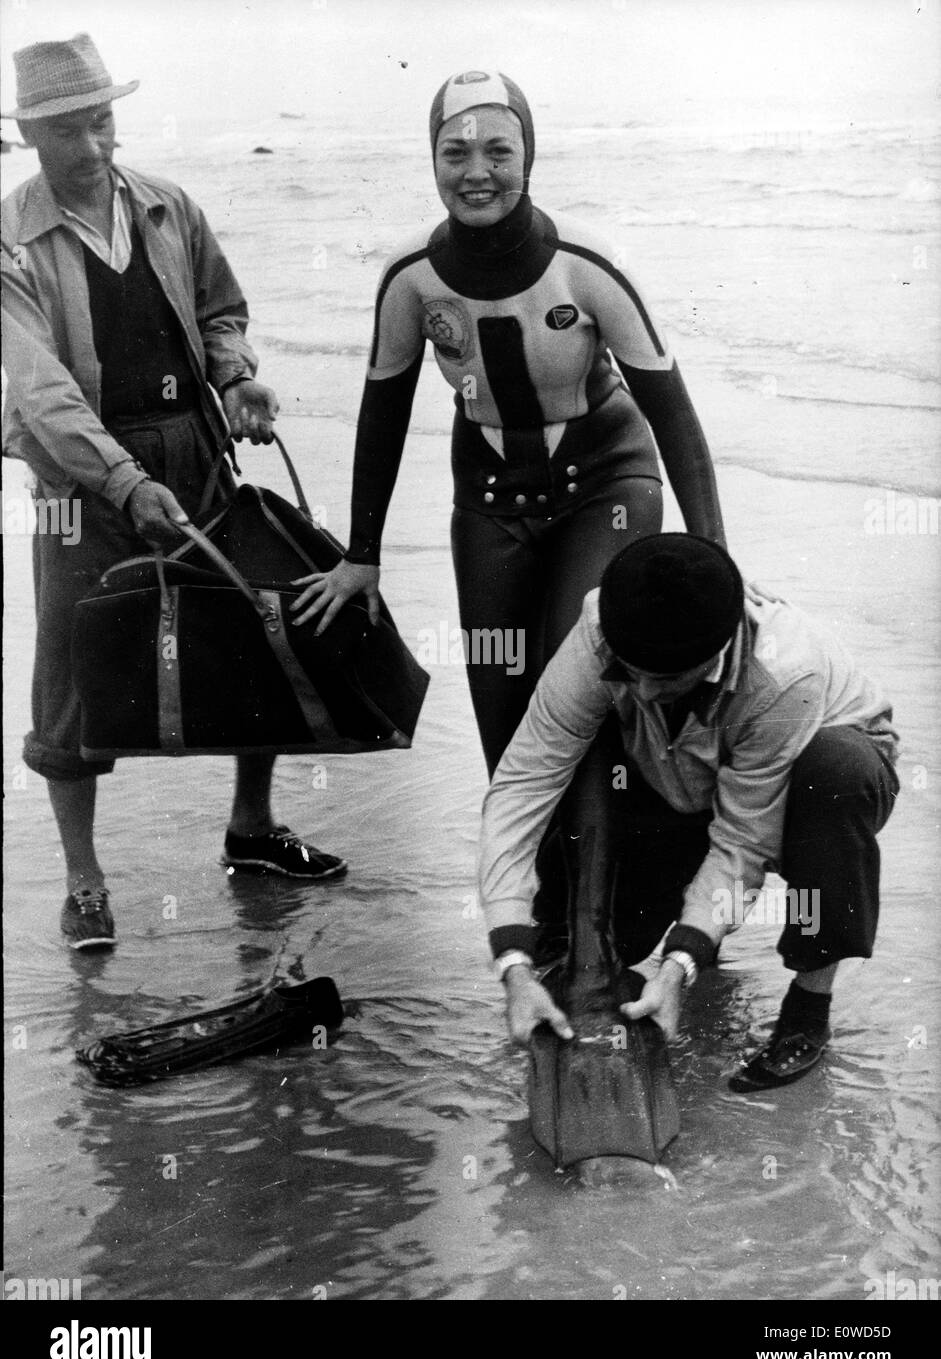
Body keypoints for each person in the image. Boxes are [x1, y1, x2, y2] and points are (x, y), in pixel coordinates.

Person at [2, 34, 347, 951]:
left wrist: (235, 381)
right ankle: (82, 882)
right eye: (70, 130)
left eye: (103, 121)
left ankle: (252, 828)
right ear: (31, 134)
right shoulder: (10, 239)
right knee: (70, 668)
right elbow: (41, 391)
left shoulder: (167, 207)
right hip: (80, 475)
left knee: (250, 621)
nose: (95, 146)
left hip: (194, 449)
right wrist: (122, 478)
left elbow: (221, 307)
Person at [291, 70, 726, 783]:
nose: (476, 173)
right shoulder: (412, 276)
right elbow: (383, 411)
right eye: (454, 154)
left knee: (573, 685)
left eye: (498, 151)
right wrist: (361, 553)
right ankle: (530, 887)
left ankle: (598, 881)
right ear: (430, 159)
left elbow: (672, 413)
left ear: (529, 156)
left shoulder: (586, 264)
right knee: (503, 723)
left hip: (606, 486)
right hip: (490, 502)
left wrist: (714, 558)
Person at [478, 534, 900, 1092]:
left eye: (667, 678)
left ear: (716, 654)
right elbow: (525, 781)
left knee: (837, 773)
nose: (646, 692)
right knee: (612, 945)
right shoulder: (603, 626)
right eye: (632, 673)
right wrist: (512, 958)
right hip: (678, 770)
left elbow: (744, 840)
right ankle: (615, 942)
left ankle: (808, 1006)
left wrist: (679, 964)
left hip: (811, 775)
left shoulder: (788, 675)